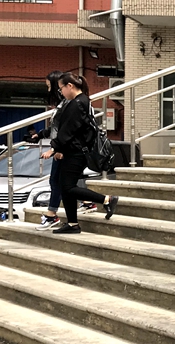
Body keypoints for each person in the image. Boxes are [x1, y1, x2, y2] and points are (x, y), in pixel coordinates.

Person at [41, 73, 118, 234]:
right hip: (74, 150)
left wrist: (53, 148)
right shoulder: (81, 101)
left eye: (61, 88)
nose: (60, 92)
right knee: (65, 187)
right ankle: (72, 224)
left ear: (70, 86)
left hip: (77, 152)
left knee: (68, 187)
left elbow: (68, 130)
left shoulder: (77, 103)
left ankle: (106, 199)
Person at [37, 70, 66, 230]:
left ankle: (51, 215)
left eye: (49, 86)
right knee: (64, 182)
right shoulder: (62, 105)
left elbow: (65, 130)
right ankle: (97, 201)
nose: (48, 90)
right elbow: (56, 129)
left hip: (63, 149)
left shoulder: (66, 105)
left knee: (56, 181)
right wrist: (40, 134)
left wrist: (55, 149)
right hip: (60, 147)